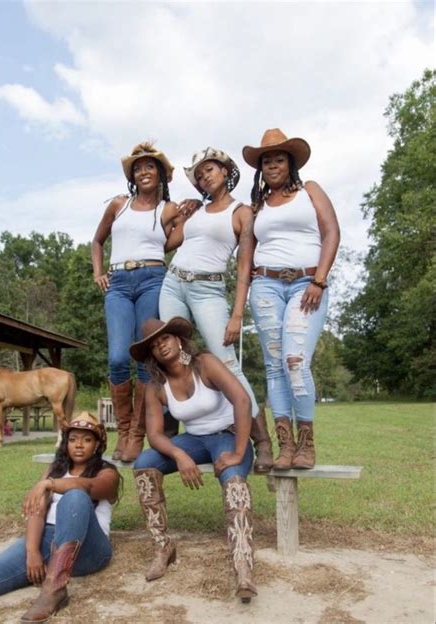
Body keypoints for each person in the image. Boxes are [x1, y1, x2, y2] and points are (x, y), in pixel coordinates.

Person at [159, 147, 273, 473]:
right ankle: (171, 433)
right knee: (171, 360)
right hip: (173, 283)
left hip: (209, 289)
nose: (204, 177)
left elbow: (244, 267)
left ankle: (261, 440)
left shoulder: (242, 212)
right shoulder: (196, 212)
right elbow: (168, 243)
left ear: (225, 171)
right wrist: (179, 215)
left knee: (227, 363)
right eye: (199, 175)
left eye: (209, 170)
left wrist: (237, 314)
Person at [131, 316, 258, 603]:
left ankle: (243, 565)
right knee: (144, 464)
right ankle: (164, 547)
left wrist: (238, 452)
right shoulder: (156, 386)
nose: (160, 346)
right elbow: (155, 435)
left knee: (233, 478)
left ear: (177, 339)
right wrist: (179, 455)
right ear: (151, 354)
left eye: (164, 338)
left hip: (228, 434)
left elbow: (242, 400)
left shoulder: (205, 364)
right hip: (193, 440)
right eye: (153, 345)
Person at [243, 128, 340, 469]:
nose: (272, 164)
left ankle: (306, 443)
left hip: (306, 283)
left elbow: (332, 232)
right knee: (274, 367)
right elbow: (245, 250)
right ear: (261, 168)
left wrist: (319, 280)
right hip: (266, 286)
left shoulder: (309, 191)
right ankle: (285, 446)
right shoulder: (258, 205)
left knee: (294, 361)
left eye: (279, 158)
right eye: (266, 160)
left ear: (290, 163)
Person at [0, 412, 120, 620]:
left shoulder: (107, 473)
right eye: (73, 439)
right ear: (66, 443)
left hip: (89, 549)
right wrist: (32, 551)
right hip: (47, 539)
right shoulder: (56, 469)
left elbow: (89, 487)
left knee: (74, 497)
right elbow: (38, 510)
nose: (79, 445)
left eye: (87, 439)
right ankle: (49, 570)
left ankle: (54, 590)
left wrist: (49, 484)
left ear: (97, 445)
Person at [92, 141, 194, 462]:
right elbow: (97, 241)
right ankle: (123, 429)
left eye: (150, 166)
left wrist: (185, 216)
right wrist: (99, 272)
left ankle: (138, 433)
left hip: (152, 279)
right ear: (132, 176)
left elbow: (170, 243)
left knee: (146, 356)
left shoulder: (167, 210)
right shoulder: (118, 206)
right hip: (119, 283)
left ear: (160, 173)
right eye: (138, 168)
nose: (143, 172)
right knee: (118, 358)